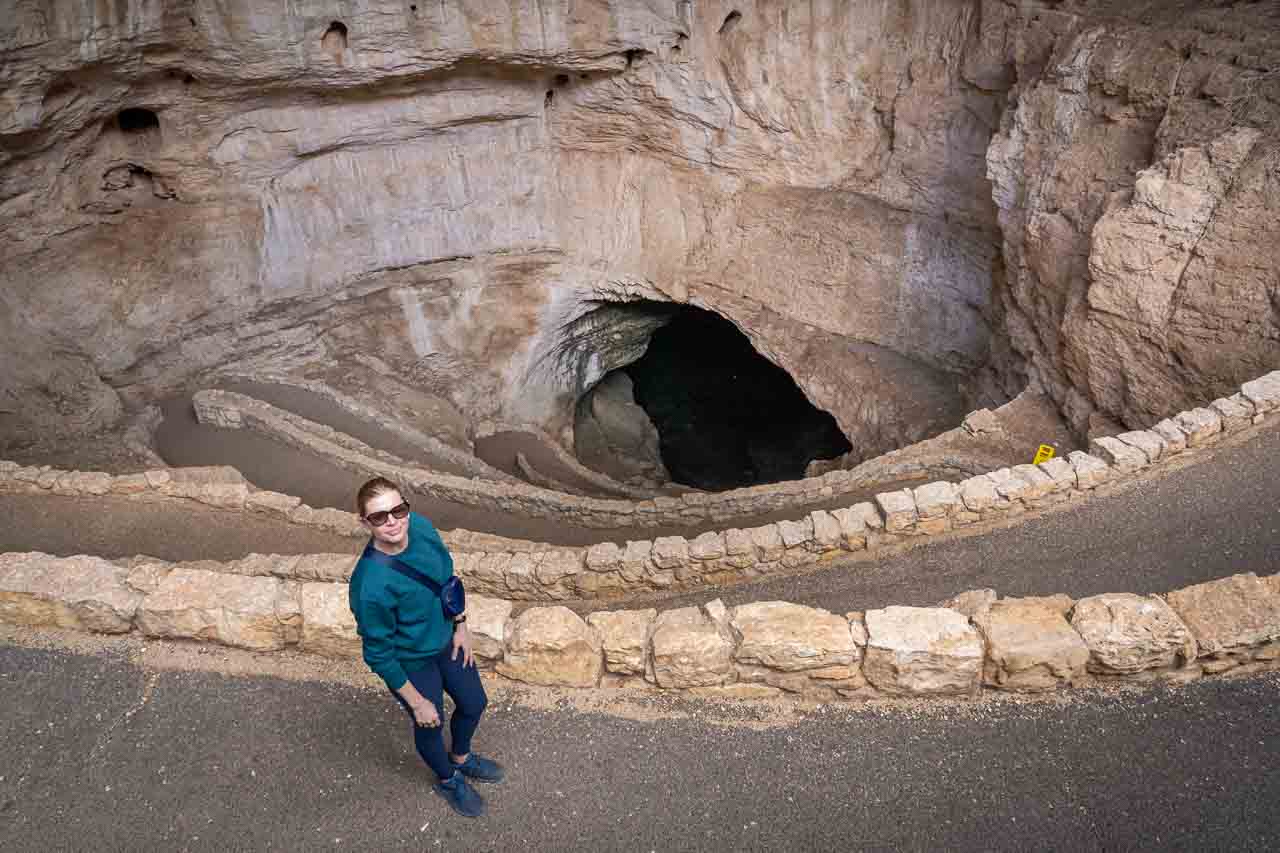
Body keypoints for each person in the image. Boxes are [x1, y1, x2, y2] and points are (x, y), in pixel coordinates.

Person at [348, 476, 503, 817]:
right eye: (378, 516)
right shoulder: (370, 586)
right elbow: (378, 653)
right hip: (410, 661)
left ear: (407, 507)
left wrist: (461, 625)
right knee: (429, 722)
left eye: (398, 510)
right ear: (364, 522)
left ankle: (461, 757)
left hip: (445, 639)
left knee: (474, 701)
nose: (392, 521)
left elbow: (446, 577)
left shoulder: (419, 526)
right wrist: (417, 703)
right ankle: (448, 779)